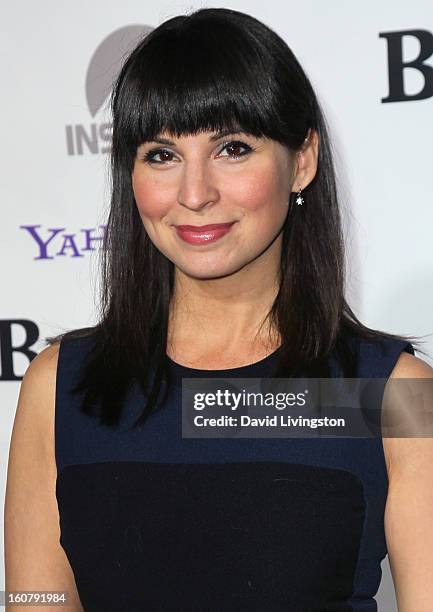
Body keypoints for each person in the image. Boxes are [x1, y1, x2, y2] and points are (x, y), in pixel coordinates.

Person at [5, 7, 433, 612]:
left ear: (302, 159)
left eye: (232, 148)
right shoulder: (62, 387)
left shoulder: (394, 398)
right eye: (161, 154)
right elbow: (35, 600)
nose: (194, 193)